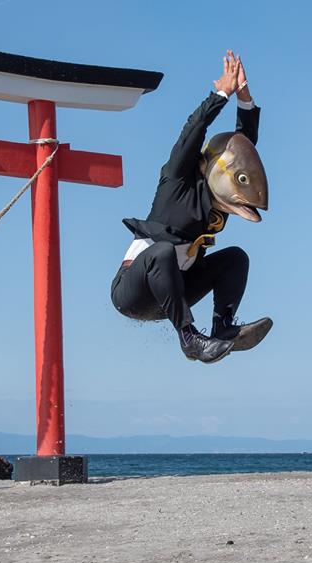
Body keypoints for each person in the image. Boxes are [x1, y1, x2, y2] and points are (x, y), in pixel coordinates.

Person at [110, 51, 272, 364]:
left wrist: (245, 98)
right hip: (134, 290)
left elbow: (244, 148)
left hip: (175, 292)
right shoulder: (177, 179)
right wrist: (221, 94)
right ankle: (189, 339)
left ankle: (222, 327)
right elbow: (193, 130)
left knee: (235, 258)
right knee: (162, 252)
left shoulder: (219, 202)